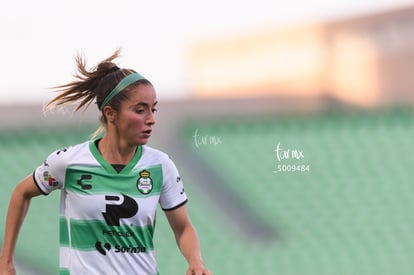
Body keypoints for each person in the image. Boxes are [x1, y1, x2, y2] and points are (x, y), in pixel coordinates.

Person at [0, 49, 212, 275]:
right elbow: (21, 193)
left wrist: (195, 261)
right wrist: (6, 261)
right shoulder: (69, 163)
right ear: (110, 113)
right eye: (140, 110)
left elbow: (183, 228)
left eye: (153, 109)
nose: (151, 119)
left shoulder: (160, 165)